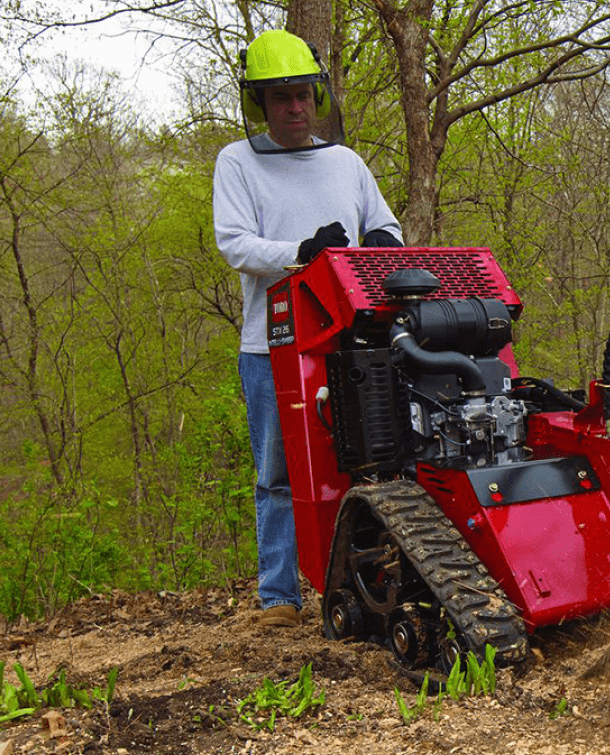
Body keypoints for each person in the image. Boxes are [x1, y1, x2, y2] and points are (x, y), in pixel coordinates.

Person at [212, 29, 403, 628]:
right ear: (260, 106)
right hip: (271, 344)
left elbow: (389, 225)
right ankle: (278, 597)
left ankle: (353, 583)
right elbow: (235, 243)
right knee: (277, 472)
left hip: (350, 342)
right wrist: (301, 252)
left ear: (317, 98)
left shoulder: (345, 162)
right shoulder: (237, 162)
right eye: (281, 98)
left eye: (303, 96)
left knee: (362, 461)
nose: (295, 108)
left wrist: (380, 243)